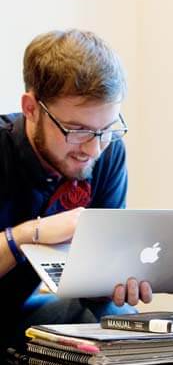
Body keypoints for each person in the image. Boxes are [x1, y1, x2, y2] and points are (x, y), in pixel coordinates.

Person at [0, 29, 152, 348]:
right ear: (31, 108)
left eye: (106, 129)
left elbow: (99, 263)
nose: (94, 149)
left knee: (117, 316)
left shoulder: (107, 152)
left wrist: (116, 279)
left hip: (19, 314)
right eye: (77, 130)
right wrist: (28, 235)